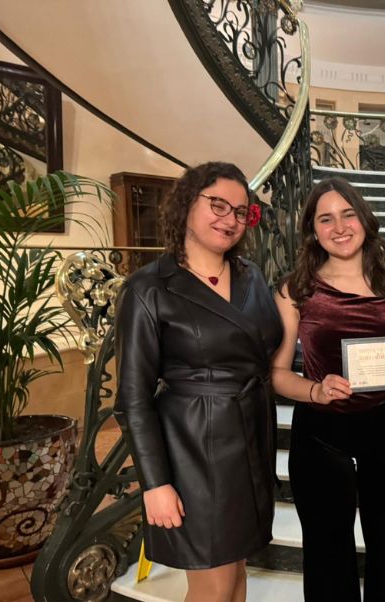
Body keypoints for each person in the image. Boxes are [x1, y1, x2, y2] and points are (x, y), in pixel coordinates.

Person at [114, 162, 283, 602]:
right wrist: (155, 483)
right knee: (214, 584)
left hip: (250, 439)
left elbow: (266, 352)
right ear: (188, 203)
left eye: (241, 211)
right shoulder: (149, 288)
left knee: (238, 572)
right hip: (194, 448)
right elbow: (132, 399)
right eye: (217, 205)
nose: (229, 219)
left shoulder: (251, 276)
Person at [271, 177, 385, 602]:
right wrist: (315, 391)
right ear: (313, 229)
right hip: (322, 433)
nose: (339, 227)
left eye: (347, 214)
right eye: (326, 218)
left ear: (364, 219)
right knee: (327, 552)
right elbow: (278, 373)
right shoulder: (296, 290)